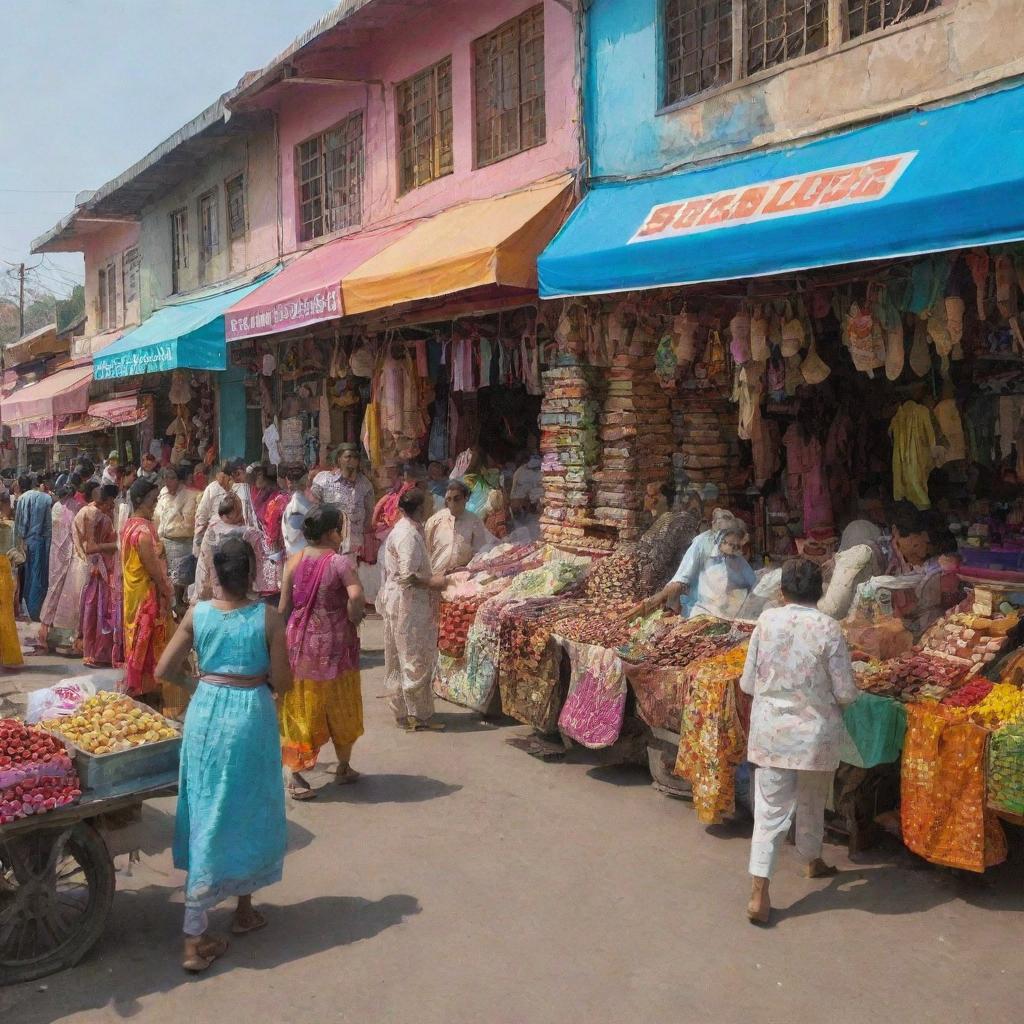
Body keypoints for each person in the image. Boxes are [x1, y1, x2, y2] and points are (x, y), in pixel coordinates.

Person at [155, 537, 291, 973]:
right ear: (251, 573)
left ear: (214, 572)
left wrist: (204, 685)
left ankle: (228, 915)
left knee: (208, 808)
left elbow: (164, 670)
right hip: (251, 715)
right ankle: (197, 936)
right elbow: (284, 682)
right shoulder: (268, 618)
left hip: (206, 715)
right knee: (247, 808)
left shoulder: (198, 614)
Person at [740, 558, 859, 925]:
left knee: (770, 812)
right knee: (812, 800)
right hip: (815, 736)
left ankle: (760, 889)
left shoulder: (767, 621)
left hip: (773, 733)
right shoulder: (828, 628)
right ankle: (812, 859)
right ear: (819, 591)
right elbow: (845, 692)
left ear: (783, 590)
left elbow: (747, 683)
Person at [278, 505, 366, 799]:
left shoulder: (293, 561)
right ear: (331, 533)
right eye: (340, 529)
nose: (342, 535)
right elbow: (355, 596)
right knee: (341, 703)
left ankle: (296, 774)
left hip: (300, 646)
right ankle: (343, 767)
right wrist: (354, 616)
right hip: (336, 646)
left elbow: (283, 608)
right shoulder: (340, 563)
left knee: (303, 706)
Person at [378, 489, 447, 731]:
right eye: (428, 502)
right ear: (419, 508)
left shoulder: (408, 529)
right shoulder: (407, 534)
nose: (431, 506)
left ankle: (404, 711)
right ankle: (417, 715)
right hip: (408, 602)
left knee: (401, 655)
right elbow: (407, 575)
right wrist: (433, 582)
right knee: (413, 656)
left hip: (403, 600)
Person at [629, 511, 756, 621]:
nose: (732, 548)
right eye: (729, 543)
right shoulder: (702, 543)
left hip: (728, 614)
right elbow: (682, 577)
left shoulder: (735, 556)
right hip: (701, 612)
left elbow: (752, 581)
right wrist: (657, 601)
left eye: (736, 545)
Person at [120, 478, 174, 701]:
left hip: (132, 594)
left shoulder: (128, 525)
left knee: (136, 639)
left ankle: (140, 686)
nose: (154, 505)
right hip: (146, 596)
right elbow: (155, 570)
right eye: (152, 501)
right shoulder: (143, 531)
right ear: (140, 500)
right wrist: (167, 592)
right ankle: (145, 690)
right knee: (147, 641)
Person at [193, 493, 268, 603]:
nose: (238, 515)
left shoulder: (217, 525)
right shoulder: (240, 531)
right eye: (233, 514)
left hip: (225, 576)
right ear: (225, 516)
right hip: (220, 575)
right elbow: (208, 559)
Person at [37, 484, 82, 655]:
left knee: (54, 591)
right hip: (68, 554)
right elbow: (75, 532)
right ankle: (57, 637)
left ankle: (46, 634)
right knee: (65, 596)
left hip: (56, 554)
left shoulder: (56, 506)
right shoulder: (74, 507)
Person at [78, 484, 119, 668]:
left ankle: (90, 651)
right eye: (110, 502)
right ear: (103, 502)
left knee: (91, 609)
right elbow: (93, 546)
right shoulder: (99, 516)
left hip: (91, 567)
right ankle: (99, 653)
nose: (113, 505)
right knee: (102, 610)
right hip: (101, 568)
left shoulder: (84, 512)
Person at [310, 444, 374, 561]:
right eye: (348, 457)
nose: (352, 460)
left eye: (355, 457)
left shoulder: (365, 486)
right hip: (329, 549)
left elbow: (369, 517)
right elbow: (313, 512)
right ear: (339, 459)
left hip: (355, 551)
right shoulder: (324, 481)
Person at [424, 479, 495, 575]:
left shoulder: (474, 521)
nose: (452, 503)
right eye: (449, 499)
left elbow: (479, 550)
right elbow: (427, 549)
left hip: (461, 575)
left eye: (456, 499)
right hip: (436, 575)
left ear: (466, 499)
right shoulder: (435, 521)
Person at [155, 465, 199, 609]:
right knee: (163, 581)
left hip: (181, 545)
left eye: (172, 477)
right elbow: (156, 518)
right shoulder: (162, 494)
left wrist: (169, 529)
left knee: (180, 582)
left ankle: (179, 610)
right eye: (166, 477)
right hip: (161, 543)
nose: (168, 481)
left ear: (179, 479)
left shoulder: (191, 496)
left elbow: (188, 525)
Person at [14, 474, 52, 620]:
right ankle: (38, 609)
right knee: (40, 575)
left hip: (28, 541)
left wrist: (21, 541)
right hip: (43, 542)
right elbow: (49, 525)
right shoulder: (46, 498)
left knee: (28, 575)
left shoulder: (23, 499)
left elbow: (20, 524)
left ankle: (29, 608)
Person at [0, 497, 24, 669]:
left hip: (4, 570)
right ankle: (6, 654)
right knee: (5, 614)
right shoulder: (9, 527)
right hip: (4, 571)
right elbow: (20, 556)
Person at [193, 461, 236, 556]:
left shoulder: (239, 488)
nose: (221, 480)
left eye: (225, 478)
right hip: (214, 538)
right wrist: (197, 544)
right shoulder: (212, 488)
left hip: (234, 539)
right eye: (219, 476)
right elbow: (201, 515)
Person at [281, 465, 313, 558]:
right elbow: (293, 534)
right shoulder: (298, 503)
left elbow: (292, 535)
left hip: (300, 551)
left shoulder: (298, 503)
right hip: (300, 551)